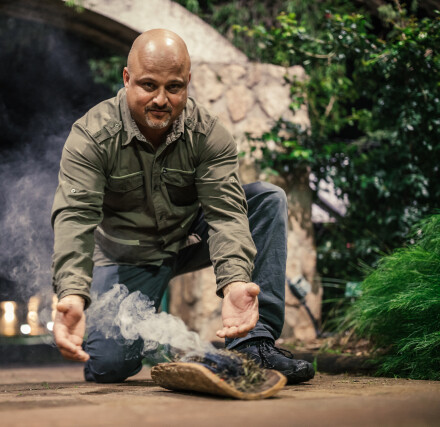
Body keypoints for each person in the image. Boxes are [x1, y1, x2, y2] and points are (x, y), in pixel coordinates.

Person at [50, 28, 314, 385]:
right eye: (148, 85)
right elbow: (75, 216)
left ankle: (254, 344)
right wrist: (72, 291)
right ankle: (110, 350)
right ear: (127, 79)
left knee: (266, 199)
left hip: (187, 239)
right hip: (127, 258)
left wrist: (236, 281)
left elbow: (226, 212)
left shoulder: (208, 134)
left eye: (173, 87)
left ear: (188, 82)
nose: (161, 99)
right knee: (110, 365)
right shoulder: (92, 136)